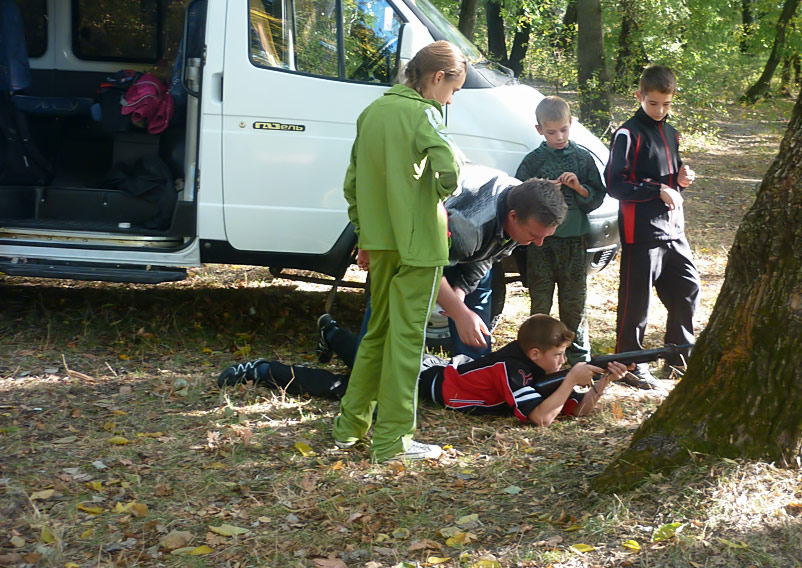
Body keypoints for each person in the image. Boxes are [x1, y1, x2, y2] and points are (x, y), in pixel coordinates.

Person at [332, 40, 466, 462]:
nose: (451, 99)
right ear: (438, 78)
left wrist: (365, 235)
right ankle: (393, 443)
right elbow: (450, 166)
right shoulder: (424, 112)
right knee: (407, 342)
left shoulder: (372, 113)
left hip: (382, 242)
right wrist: (440, 191)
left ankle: (349, 427)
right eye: (454, 90)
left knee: (377, 334)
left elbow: (352, 184)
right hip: (420, 244)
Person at [220, 315, 628, 428]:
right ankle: (260, 369)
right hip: (422, 381)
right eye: (558, 356)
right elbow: (541, 418)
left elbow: (574, 410)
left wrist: (602, 381)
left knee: (366, 365)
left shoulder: (541, 372)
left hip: (430, 374)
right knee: (345, 388)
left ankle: (332, 333)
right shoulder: (512, 369)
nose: (562, 363)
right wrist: (573, 380)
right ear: (536, 353)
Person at [342, 167, 569, 360]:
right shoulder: (470, 228)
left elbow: (487, 256)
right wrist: (459, 312)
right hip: (410, 238)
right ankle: (371, 377)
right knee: (389, 311)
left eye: (544, 236)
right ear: (512, 216)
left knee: (474, 314)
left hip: (457, 242)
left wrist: (459, 293)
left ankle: (469, 383)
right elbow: (424, 268)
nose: (538, 243)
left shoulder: (524, 200)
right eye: (534, 235)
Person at [605, 65, 700, 390]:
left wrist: (680, 181)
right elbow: (616, 184)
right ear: (639, 97)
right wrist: (656, 189)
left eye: (666, 104)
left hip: (674, 230)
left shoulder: (671, 133)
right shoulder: (627, 134)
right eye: (653, 103)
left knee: (688, 288)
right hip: (641, 232)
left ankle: (679, 358)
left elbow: (670, 182)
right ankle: (630, 364)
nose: (660, 110)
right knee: (637, 302)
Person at [515, 96, 606, 364]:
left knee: (574, 303)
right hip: (541, 244)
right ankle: (535, 358)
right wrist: (543, 189)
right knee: (540, 302)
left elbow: (596, 197)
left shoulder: (581, 158)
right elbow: (517, 197)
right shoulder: (533, 161)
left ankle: (578, 359)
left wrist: (578, 188)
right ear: (539, 130)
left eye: (563, 130)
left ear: (571, 124)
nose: (558, 136)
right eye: (551, 131)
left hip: (574, 243)